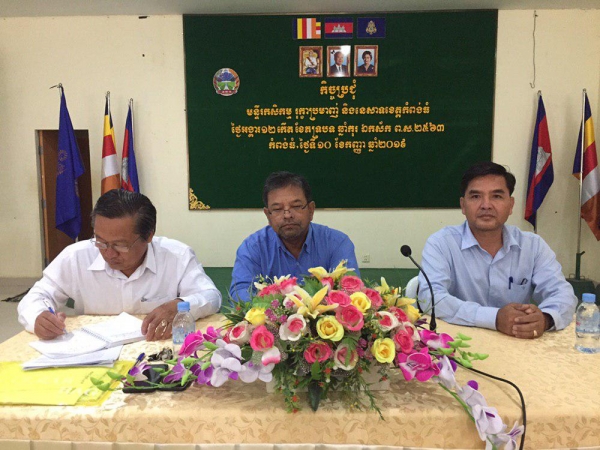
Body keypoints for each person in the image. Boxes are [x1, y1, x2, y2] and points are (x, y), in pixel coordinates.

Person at [18, 190, 221, 341]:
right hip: (93, 353)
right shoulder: (76, 257)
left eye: (120, 245)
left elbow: (211, 296)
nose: (109, 253)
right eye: (101, 241)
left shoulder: (176, 256)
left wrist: (181, 305)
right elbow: (37, 296)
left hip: (156, 351)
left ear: (149, 235)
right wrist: (38, 317)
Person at [418, 162, 576, 339]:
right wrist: (494, 318)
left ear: (511, 205)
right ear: (463, 205)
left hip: (517, 342)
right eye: (476, 196)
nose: (486, 205)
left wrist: (545, 319)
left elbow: (562, 294)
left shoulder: (532, 246)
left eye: (497, 196)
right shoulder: (441, 243)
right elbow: (430, 297)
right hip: (458, 343)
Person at [230, 171, 359, 302]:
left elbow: (350, 291)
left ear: (311, 210)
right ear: (268, 215)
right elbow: (240, 292)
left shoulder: (337, 243)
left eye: (296, 206)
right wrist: (276, 310)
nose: (287, 215)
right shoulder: (252, 248)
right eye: (277, 209)